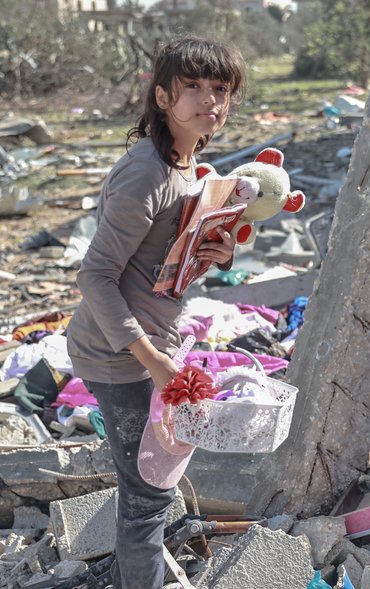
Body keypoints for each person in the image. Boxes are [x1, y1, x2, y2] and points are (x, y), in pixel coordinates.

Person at [66, 36, 246, 589]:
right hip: (118, 354)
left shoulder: (192, 169)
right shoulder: (146, 173)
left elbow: (161, 261)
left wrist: (219, 252)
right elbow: (95, 275)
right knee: (148, 493)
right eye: (192, 86)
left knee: (146, 486)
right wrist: (152, 363)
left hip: (150, 347)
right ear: (163, 95)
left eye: (219, 89)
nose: (208, 100)